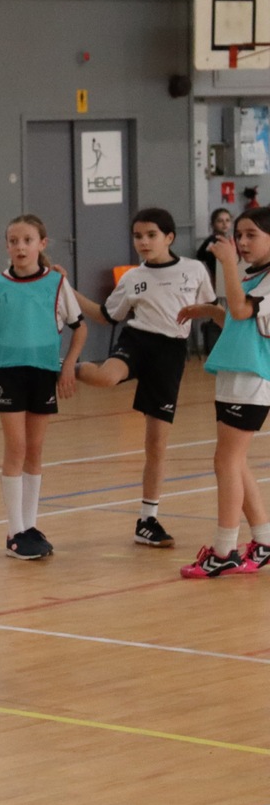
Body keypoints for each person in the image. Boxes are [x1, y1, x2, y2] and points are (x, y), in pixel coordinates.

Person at [60, 208, 214, 548]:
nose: (143, 242)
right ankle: (61, 367)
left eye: (151, 235)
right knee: (105, 377)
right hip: (138, 341)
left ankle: (147, 521)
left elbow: (211, 309)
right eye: (138, 236)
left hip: (171, 354)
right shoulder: (132, 278)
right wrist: (67, 290)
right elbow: (105, 315)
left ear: (169, 237)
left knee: (156, 444)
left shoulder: (194, 269)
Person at [0, 214, 87, 559]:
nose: (20, 247)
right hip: (9, 373)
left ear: (42, 243)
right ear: (7, 246)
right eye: (13, 241)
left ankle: (29, 526)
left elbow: (80, 327)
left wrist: (67, 365)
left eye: (27, 240)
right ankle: (14, 533)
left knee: (35, 450)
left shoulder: (56, 283)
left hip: (43, 372)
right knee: (17, 447)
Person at [176, 206, 270, 577]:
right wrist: (208, 310)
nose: (242, 242)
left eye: (251, 235)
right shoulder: (253, 275)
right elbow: (237, 319)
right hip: (234, 374)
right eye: (239, 235)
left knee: (226, 461)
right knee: (234, 461)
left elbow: (242, 311)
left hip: (252, 377)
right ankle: (263, 542)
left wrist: (228, 263)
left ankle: (224, 551)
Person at [196, 207, 234, 355]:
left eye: (227, 220)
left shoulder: (232, 240)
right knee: (222, 315)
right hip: (219, 285)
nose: (224, 224)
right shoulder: (212, 241)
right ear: (213, 224)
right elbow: (201, 255)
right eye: (220, 221)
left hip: (230, 282)